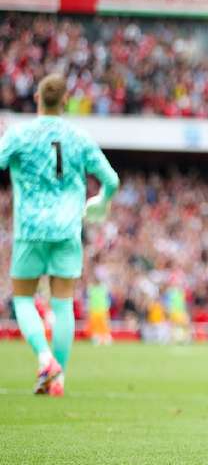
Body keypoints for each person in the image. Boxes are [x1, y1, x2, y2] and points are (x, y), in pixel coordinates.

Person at [0, 73, 119, 396]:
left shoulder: (19, 134)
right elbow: (111, 179)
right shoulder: (78, 137)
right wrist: (100, 202)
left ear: (37, 98)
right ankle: (59, 377)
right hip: (67, 230)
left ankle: (44, 357)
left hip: (30, 230)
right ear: (65, 101)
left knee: (24, 297)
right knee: (62, 304)